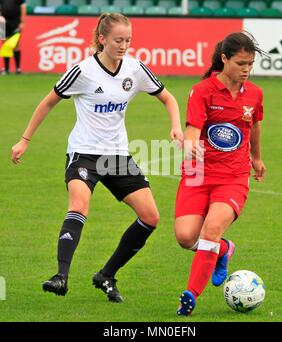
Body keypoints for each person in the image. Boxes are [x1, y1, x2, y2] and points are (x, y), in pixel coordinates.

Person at [11, 13, 183, 302]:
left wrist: (176, 125)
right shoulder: (83, 71)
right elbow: (48, 102)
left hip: (117, 155)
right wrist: (25, 139)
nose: (124, 45)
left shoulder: (135, 69)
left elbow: (168, 97)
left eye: (128, 40)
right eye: (118, 40)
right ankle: (61, 276)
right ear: (102, 39)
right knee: (79, 205)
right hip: (84, 153)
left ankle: (106, 275)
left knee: (151, 217)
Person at [174, 31, 266, 316]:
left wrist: (257, 158)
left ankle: (190, 295)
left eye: (250, 64)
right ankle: (223, 250)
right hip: (198, 174)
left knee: (210, 230)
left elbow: (254, 125)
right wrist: (190, 146)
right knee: (187, 237)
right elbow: (192, 129)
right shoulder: (202, 91)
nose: (246, 70)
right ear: (224, 59)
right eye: (241, 63)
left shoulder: (255, 94)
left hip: (233, 177)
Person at [0, 0, 26, 75]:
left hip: (15, 22)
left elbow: (23, 8)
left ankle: (18, 68)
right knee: (5, 44)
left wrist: (22, 22)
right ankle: (6, 69)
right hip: (2, 23)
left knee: (16, 44)